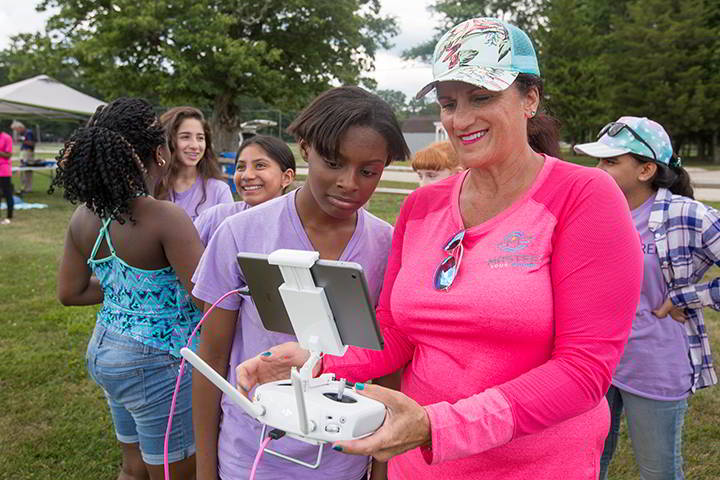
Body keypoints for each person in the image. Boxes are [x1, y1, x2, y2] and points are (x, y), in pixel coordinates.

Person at [236, 17, 644, 480]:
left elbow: (582, 371)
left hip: (533, 465)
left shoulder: (584, 196)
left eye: (482, 97)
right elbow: (397, 332)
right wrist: (317, 359)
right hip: (419, 463)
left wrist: (438, 425)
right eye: (448, 103)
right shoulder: (422, 206)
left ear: (530, 98)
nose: (460, 119)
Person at [190, 86, 409, 480]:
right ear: (305, 148)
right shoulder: (240, 233)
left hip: (344, 458)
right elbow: (212, 360)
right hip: (251, 454)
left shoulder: (389, 245)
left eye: (368, 171)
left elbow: (388, 361)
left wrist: (380, 469)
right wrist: (206, 471)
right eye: (333, 163)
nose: (348, 182)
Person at [51, 98, 204, 480]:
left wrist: (133, 291)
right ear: (159, 154)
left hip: (107, 351)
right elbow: (206, 296)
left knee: (134, 468)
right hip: (159, 361)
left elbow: (70, 291)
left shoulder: (84, 215)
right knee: (174, 471)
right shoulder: (165, 217)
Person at [574, 116, 719, 480]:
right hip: (596, 363)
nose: (598, 169)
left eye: (610, 162)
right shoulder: (594, 210)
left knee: (657, 471)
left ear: (646, 170)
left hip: (656, 367)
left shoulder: (686, 215)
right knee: (588, 463)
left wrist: (691, 295)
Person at [193, 134, 296, 245]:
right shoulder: (216, 217)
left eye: (260, 165)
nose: (247, 176)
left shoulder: (298, 226)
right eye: (241, 167)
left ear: (286, 177)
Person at [155, 106, 233, 220]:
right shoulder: (153, 187)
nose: (195, 146)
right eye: (185, 137)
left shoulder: (219, 191)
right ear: (169, 141)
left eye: (200, 138)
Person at [11, 120, 37, 195]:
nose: (16, 131)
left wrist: (22, 140)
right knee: (23, 170)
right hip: (24, 152)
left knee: (27, 170)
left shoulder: (28, 132)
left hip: (27, 152)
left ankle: (28, 188)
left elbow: (31, 143)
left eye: (16, 129)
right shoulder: (25, 133)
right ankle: (25, 187)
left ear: (20, 127)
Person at [0, 125, 13, 224]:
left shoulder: (6, 137)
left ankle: (9, 215)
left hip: (4, 170)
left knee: (7, 194)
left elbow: (8, 155)